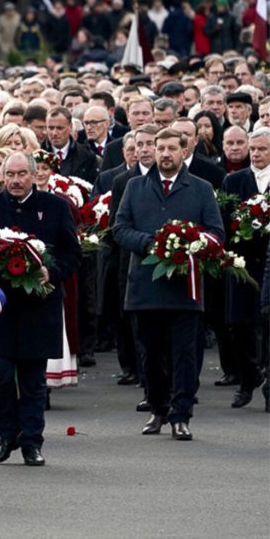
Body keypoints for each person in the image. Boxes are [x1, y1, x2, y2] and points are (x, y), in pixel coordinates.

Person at [113, 128, 224, 441]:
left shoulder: (201, 189)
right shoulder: (134, 186)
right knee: (149, 353)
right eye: (159, 148)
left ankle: (181, 414)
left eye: (171, 148)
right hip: (144, 287)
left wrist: (189, 245)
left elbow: (217, 232)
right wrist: (151, 244)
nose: (164, 154)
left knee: (184, 354)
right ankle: (158, 408)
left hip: (185, 288)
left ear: (183, 150)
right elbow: (119, 228)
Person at [0, 151, 80, 466]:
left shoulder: (55, 207)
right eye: (10, 174)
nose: (16, 180)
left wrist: (52, 271)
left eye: (22, 174)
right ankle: (7, 435)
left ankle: (32, 442)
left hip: (39, 306)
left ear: (34, 175)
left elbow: (72, 254)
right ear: (1, 176)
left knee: (34, 380)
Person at [219, 128, 270, 409]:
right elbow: (224, 219)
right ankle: (248, 379)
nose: (257, 154)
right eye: (254, 149)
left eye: (263, 149)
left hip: (269, 262)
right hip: (242, 264)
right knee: (240, 325)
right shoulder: (234, 180)